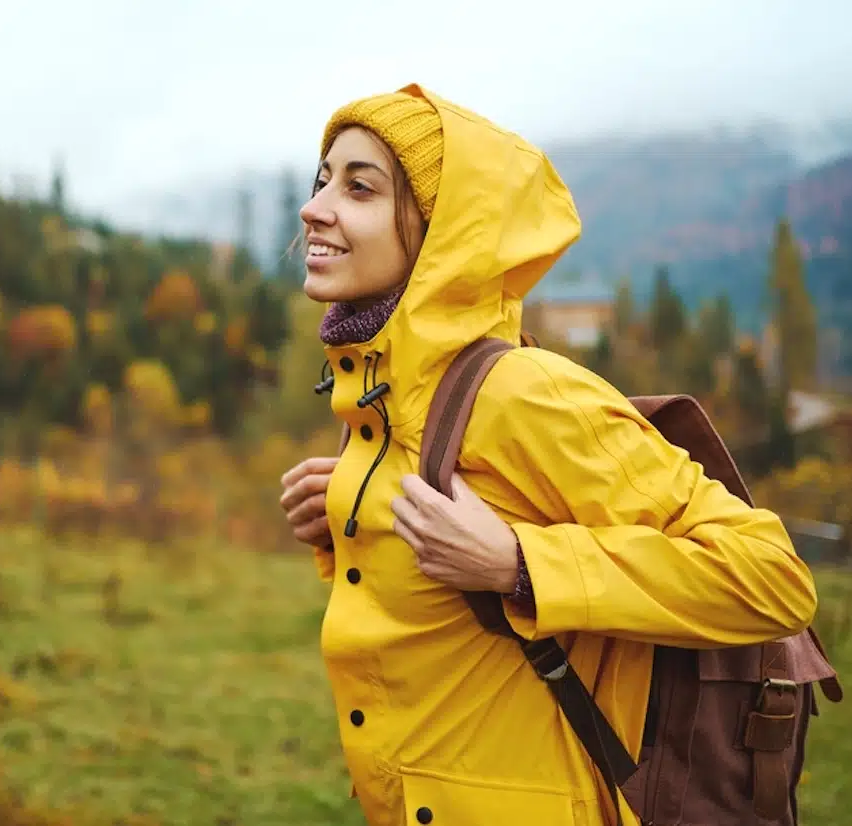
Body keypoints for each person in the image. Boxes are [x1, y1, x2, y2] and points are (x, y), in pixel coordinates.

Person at [277, 83, 820, 826]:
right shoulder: (385, 400)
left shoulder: (521, 393)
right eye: (322, 180)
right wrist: (348, 520)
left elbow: (773, 579)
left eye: (360, 187)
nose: (316, 207)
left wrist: (519, 566)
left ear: (444, 230)